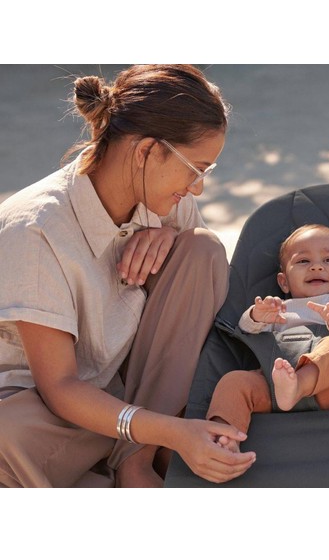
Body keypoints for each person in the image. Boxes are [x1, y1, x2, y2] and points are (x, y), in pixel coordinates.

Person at [0, 64, 257, 488]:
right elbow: (61, 387)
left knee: (202, 249)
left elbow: (196, 285)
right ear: (146, 151)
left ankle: (136, 459)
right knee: (7, 438)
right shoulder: (35, 230)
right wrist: (172, 431)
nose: (198, 188)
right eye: (196, 168)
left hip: (128, 387)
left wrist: (173, 235)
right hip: (49, 409)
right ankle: (129, 457)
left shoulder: (163, 200)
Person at [206, 224, 329, 451]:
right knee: (233, 382)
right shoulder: (280, 308)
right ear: (284, 281)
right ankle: (223, 440)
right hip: (276, 387)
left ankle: (298, 385)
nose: (316, 267)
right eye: (303, 261)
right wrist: (257, 315)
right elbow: (246, 328)